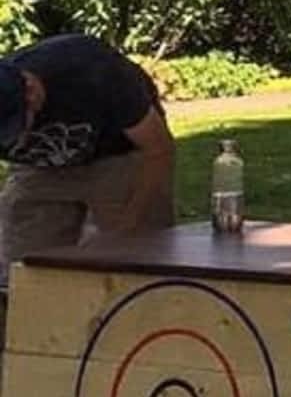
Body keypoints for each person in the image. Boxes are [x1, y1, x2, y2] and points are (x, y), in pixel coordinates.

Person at [0, 34, 175, 280]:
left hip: (118, 152)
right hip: (38, 167)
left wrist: (128, 226)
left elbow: (159, 149)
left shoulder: (93, 70)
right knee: (22, 273)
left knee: (140, 261)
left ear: (30, 90)